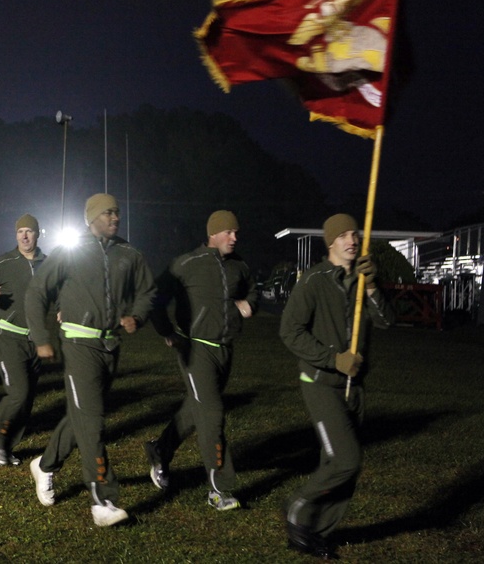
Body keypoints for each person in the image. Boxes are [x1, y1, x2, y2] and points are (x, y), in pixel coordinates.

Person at [25, 193, 155, 527]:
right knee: (93, 420)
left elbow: (147, 292)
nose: (115, 218)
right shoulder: (71, 252)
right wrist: (41, 338)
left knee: (82, 416)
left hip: (110, 347)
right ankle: (104, 500)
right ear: (91, 217)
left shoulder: (129, 253)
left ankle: (45, 465)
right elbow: (38, 291)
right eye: (108, 212)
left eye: (117, 212)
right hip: (78, 345)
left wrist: (137, 316)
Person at [279, 214, 394, 559]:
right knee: (347, 460)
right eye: (344, 235)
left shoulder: (362, 279)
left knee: (339, 466)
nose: (352, 240)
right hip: (321, 383)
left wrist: (372, 287)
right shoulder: (314, 281)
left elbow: (388, 320)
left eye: (355, 234)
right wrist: (333, 359)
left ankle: (316, 532)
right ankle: (297, 507)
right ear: (331, 242)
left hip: (354, 386)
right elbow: (290, 332)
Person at [143, 210, 257, 511]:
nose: (234, 238)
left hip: (225, 349)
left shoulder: (239, 266)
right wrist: (167, 331)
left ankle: (160, 449)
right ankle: (219, 489)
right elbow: (156, 298)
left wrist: (249, 304)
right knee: (213, 413)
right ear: (213, 233)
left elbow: (253, 291)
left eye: (236, 233)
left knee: (197, 408)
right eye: (229, 232)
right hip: (195, 349)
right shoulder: (186, 263)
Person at [0, 214, 47, 466]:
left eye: (29, 231)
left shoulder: (48, 264)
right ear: (15, 235)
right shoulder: (3, 262)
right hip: (8, 334)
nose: (24, 236)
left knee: (27, 400)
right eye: (20, 231)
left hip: (35, 339)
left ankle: (6, 445)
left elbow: (58, 291)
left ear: (38, 234)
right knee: (18, 393)